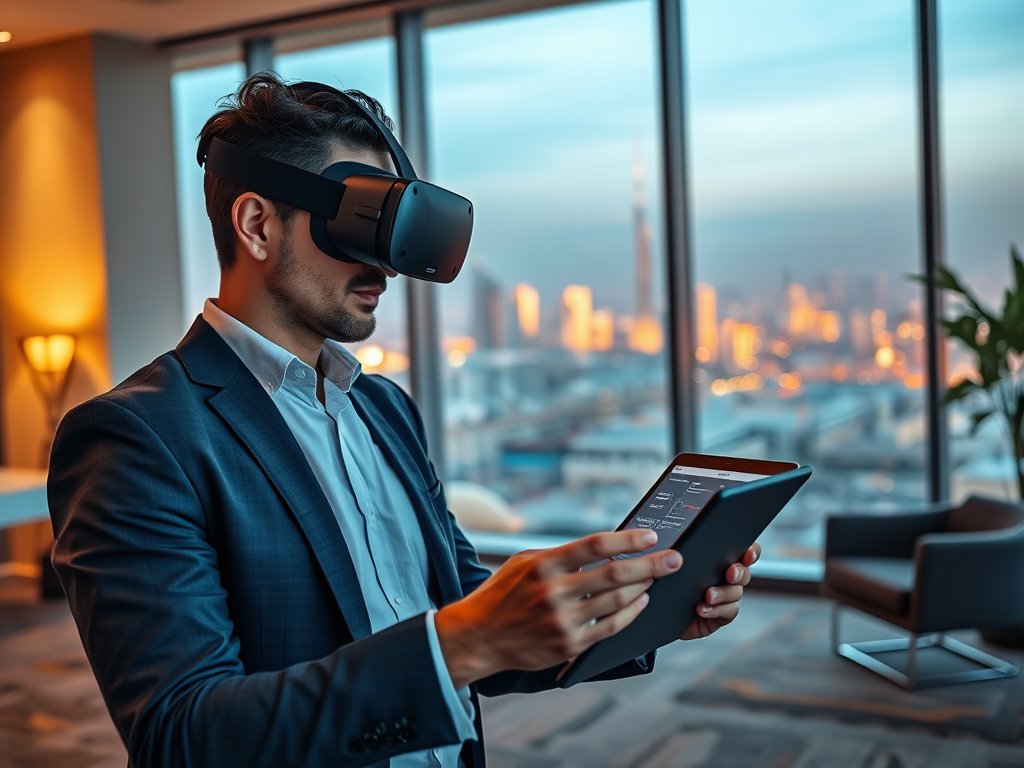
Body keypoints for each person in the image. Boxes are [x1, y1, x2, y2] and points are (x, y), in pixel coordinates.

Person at [47, 73, 759, 768]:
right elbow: (182, 736)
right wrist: (462, 642)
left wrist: (633, 612)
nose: (386, 266)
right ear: (258, 225)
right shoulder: (137, 439)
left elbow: (458, 610)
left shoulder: (384, 409)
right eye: (363, 223)